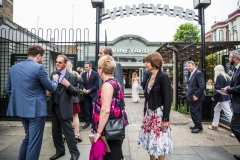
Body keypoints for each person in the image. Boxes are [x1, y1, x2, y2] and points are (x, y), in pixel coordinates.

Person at [6, 45, 59, 160]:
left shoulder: (13, 68)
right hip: (36, 110)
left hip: (21, 109)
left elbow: (9, 89)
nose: (43, 59)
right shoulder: (39, 68)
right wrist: (55, 79)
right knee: (34, 142)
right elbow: (51, 87)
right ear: (39, 55)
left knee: (28, 137)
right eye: (43, 56)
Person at [138, 52, 173, 160]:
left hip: (159, 115)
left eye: (147, 62)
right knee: (149, 140)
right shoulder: (149, 76)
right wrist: (145, 113)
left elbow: (168, 99)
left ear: (154, 62)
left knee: (159, 141)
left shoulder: (163, 77)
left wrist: (165, 119)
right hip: (149, 114)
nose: (145, 64)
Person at [92, 55, 128, 160]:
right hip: (114, 127)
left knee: (111, 156)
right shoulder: (115, 82)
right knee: (115, 154)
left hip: (108, 130)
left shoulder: (107, 85)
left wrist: (98, 132)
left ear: (101, 69)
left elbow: (105, 110)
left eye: (98, 67)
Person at [49, 55, 80, 160]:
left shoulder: (71, 76)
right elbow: (49, 89)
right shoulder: (53, 74)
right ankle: (60, 151)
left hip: (65, 108)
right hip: (54, 107)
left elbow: (75, 92)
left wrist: (68, 85)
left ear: (65, 64)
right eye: (56, 62)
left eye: (60, 62)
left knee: (68, 133)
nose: (57, 64)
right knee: (55, 131)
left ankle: (75, 153)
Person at [222, 50, 240, 160]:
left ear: (235, 58)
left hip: (239, 104)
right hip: (237, 103)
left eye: (230, 57)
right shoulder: (236, 69)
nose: (229, 59)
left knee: (234, 126)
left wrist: (229, 90)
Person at [209, 65, 232, 133]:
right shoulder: (227, 76)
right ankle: (214, 125)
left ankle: (236, 129)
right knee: (217, 109)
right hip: (227, 96)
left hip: (222, 97)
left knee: (228, 113)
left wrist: (214, 97)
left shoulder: (219, 77)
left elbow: (218, 89)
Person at [185, 61, 205, 134]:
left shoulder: (198, 73)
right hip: (192, 96)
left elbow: (202, 86)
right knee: (194, 111)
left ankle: (198, 127)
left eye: (189, 66)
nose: (188, 68)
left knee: (195, 111)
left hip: (196, 97)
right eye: (187, 66)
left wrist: (196, 95)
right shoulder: (192, 73)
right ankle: (197, 125)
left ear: (194, 65)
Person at [66, 61, 83, 142]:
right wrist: (76, 73)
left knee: (66, 117)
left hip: (65, 99)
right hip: (74, 99)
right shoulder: (73, 75)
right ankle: (77, 134)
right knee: (75, 117)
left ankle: (64, 134)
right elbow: (81, 80)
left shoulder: (63, 75)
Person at [81, 61, 99, 129]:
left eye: (86, 67)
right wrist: (83, 89)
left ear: (90, 67)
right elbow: (81, 83)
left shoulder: (95, 74)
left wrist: (90, 90)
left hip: (93, 95)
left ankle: (94, 124)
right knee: (87, 109)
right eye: (84, 67)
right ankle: (87, 122)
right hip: (86, 95)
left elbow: (97, 85)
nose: (85, 68)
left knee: (94, 109)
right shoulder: (83, 74)